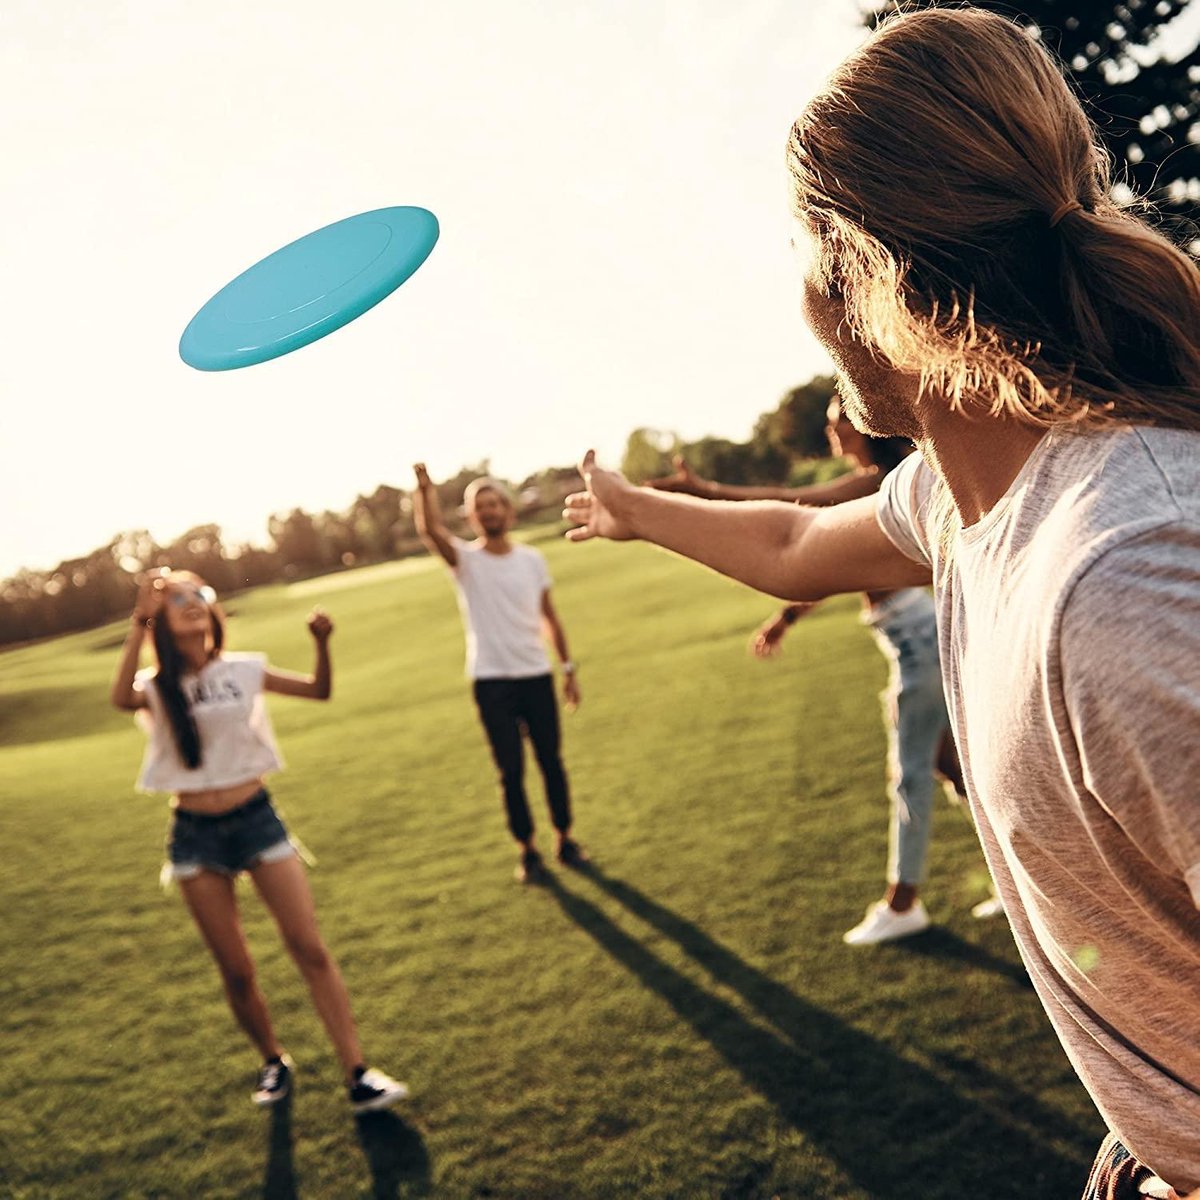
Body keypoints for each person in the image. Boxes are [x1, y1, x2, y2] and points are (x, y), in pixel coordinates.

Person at [562, 8, 1200, 1196]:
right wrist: (637, 508)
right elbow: (802, 540)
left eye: (809, 251)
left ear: (872, 276)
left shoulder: (1122, 574)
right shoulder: (972, 499)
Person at [650, 399, 1001, 944]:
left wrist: (705, 493)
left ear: (862, 424)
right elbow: (828, 567)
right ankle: (1012, 877)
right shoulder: (878, 481)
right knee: (951, 767)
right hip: (918, 636)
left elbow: (795, 514)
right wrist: (786, 617)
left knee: (910, 774)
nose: (831, 427)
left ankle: (903, 903)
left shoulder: (871, 485)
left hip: (919, 643)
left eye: (837, 417)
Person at [110, 569, 408, 1113]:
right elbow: (119, 698)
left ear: (213, 607)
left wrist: (321, 643)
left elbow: (319, 691)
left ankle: (358, 1071)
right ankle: (273, 1059)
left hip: (258, 819)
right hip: (195, 838)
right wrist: (140, 619)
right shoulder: (155, 685)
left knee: (309, 948)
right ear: (162, 617)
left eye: (198, 593)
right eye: (175, 598)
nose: (191, 602)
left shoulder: (244, 668)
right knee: (237, 969)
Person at [412, 465, 587, 884]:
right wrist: (423, 490)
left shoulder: (532, 560)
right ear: (472, 518)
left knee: (551, 763)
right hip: (492, 681)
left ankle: (565, 839)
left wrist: (566, 668)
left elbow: (550, 618)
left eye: (494, 504)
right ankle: (528, 850)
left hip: (536, 674)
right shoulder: (466, 562)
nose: (489, 512)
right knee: (511, 771)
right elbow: (430, 531)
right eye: (480, 507)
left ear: (508, 511)